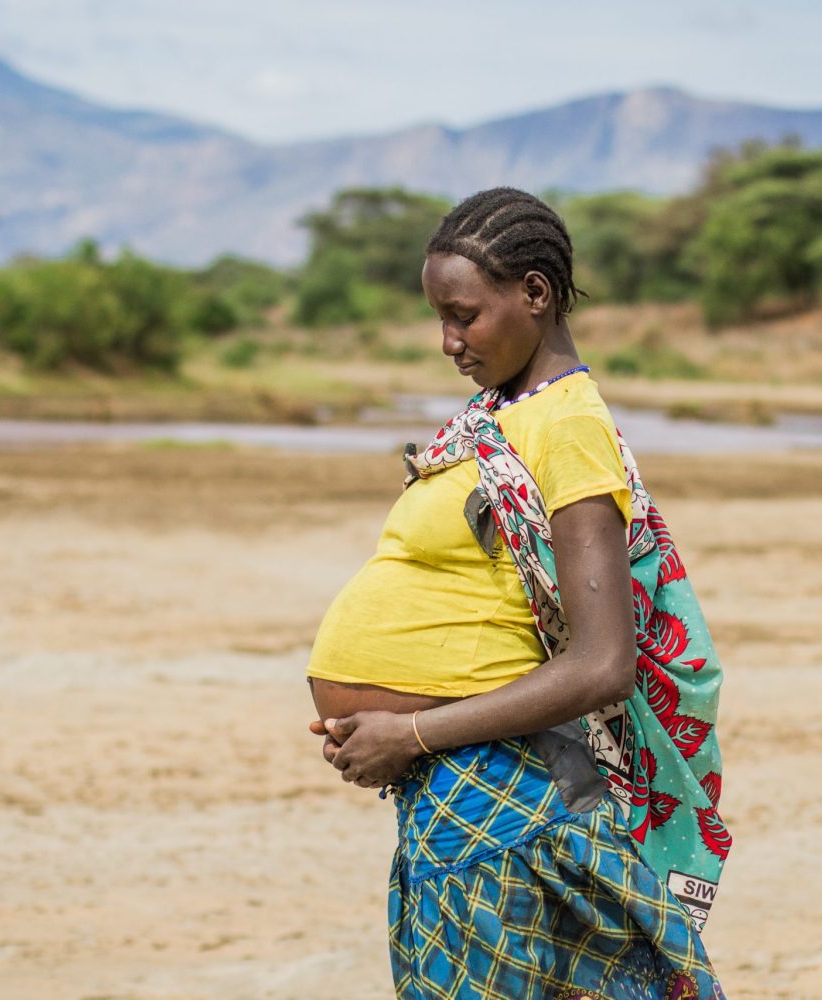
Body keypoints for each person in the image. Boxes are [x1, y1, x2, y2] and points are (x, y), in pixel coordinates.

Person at [307, 188, 729, 999]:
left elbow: (603, 664)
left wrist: (413, 734)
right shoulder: (503, 416)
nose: (447, 341)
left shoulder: (564, 425)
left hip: (501, 796)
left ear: (534, 295)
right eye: (439, 317)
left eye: (463, 315)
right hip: (461, 786)